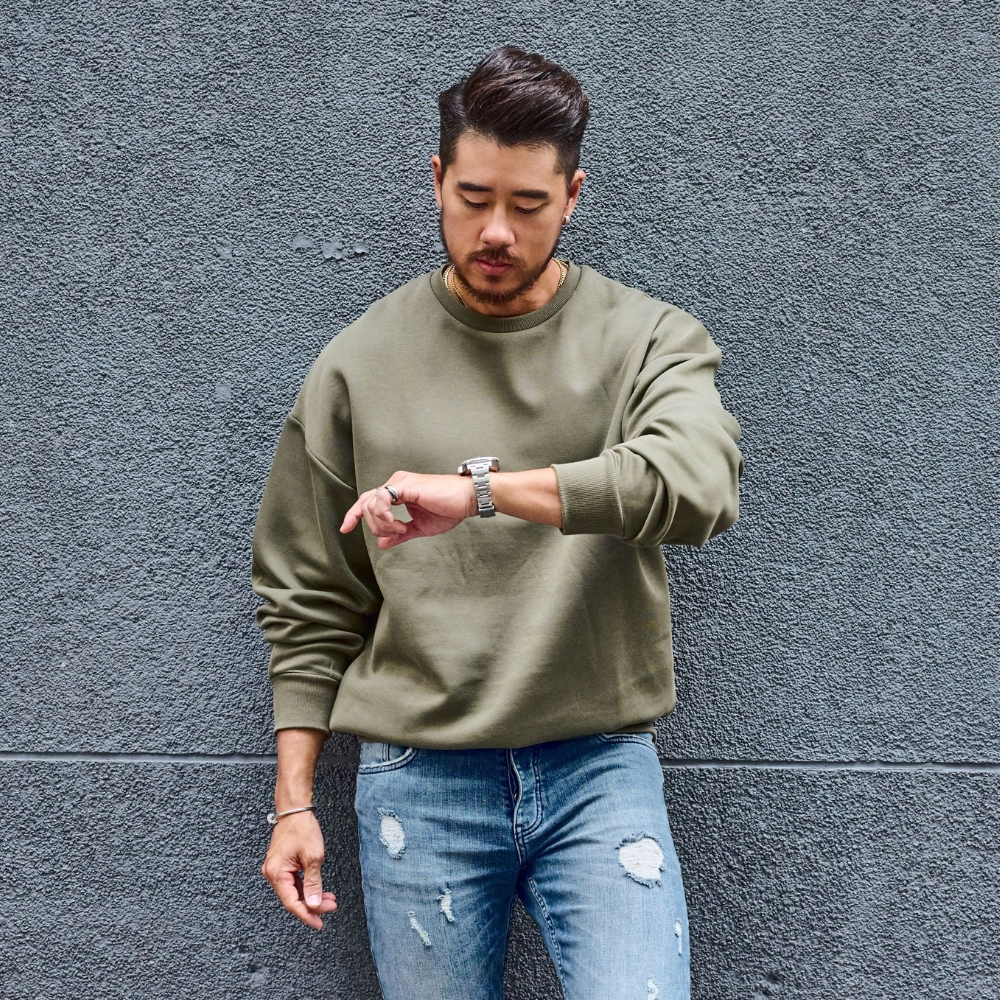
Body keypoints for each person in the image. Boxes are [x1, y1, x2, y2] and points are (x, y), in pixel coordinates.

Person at [253, 44, 743, 1000]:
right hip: (418, 777)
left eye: (528, 205)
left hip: (599, 768)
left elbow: (698, 485)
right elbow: (309, 599)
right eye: (473, 198)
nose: (496, 232)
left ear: (573, 197)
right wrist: (294, 802)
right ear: (437, 179)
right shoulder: (359, 363)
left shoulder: (647, 339)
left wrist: (481, 492)